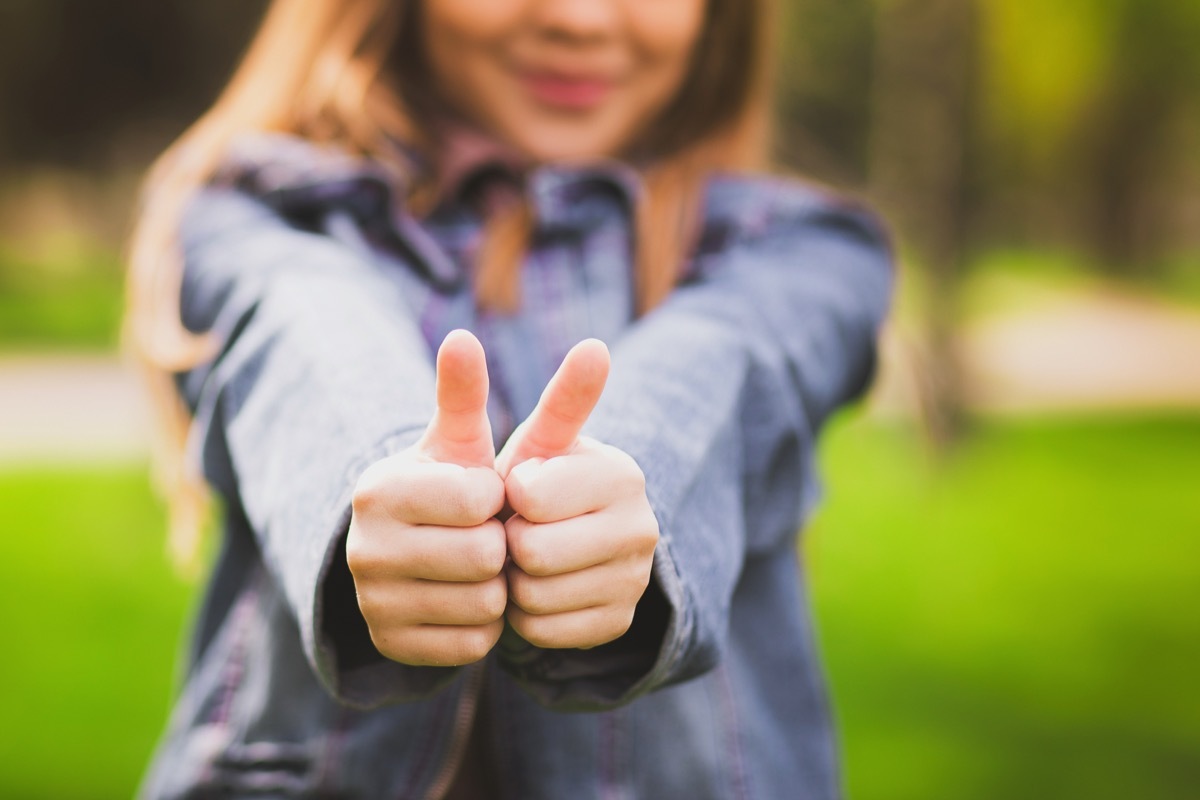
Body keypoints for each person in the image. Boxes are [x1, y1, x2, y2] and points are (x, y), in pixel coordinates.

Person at [126, 0, 893, 797]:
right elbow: (308, 334)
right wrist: (388, 484)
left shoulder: (806, 255)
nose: (580, 19)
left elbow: (724, 363)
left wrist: (620, 489)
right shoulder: (254, 219)